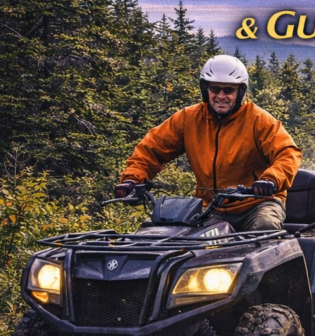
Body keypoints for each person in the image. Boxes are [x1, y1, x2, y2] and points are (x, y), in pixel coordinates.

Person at [116, 55, 302, 231]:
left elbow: (288, 153)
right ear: (206, 90)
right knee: (173, 235)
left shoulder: (258, 120)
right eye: (215, 89)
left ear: (241, 91)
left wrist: (270, 180)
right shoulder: (188, 118)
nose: (220, 96)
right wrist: (133, 179)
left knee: (265, 227)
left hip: (257, 203)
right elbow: (150, 150)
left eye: (228, 90)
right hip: (212, 207)